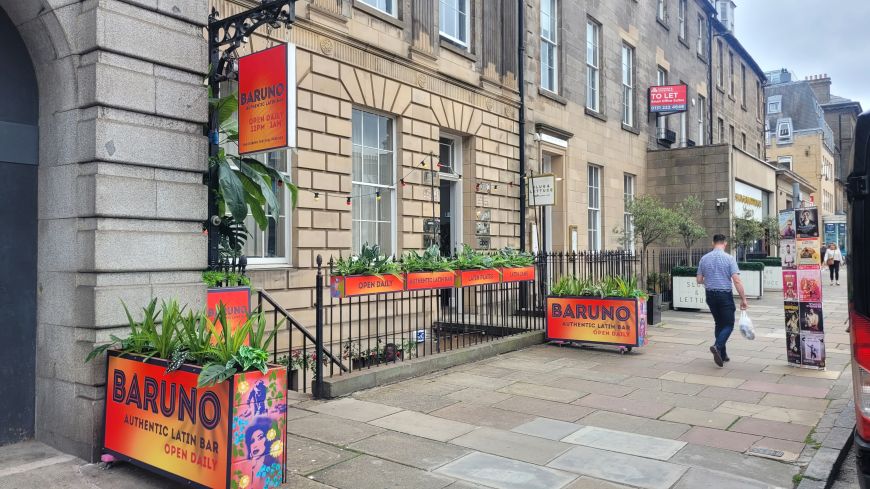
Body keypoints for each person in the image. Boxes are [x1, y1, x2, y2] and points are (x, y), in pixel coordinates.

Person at [697, 234, 748, 367]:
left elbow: (699, 280)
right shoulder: (729, 258)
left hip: (710, 295)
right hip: (724, 295)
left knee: (718, 323)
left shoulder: (704, 258)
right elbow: (736, 280)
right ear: (725, 243)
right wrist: (743, 298)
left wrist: (709, 279)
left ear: (713, 243)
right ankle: (717, 346)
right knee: (729, 324)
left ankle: (723, 355)